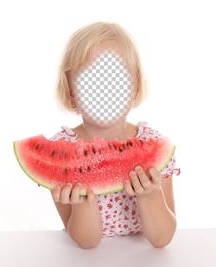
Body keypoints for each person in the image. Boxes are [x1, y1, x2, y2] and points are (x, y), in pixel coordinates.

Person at [48, 22, 181, 249]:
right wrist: (81, 202)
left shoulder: (153, 145)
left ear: (136, 88)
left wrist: (150, 195)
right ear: (71, 94)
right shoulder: (60, 152)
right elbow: (86, 242)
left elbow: (162, 239)